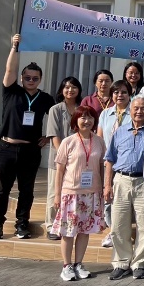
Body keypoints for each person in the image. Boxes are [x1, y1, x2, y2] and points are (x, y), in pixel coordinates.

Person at [0, 34, 55, 240]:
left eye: (35, 78)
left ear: (40, 79)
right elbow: (9, 70)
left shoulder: (45, 98)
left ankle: (22, 224)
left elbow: (57, 117)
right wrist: (14, 47)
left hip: (30, 150)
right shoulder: (12, 91)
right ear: (21, 78)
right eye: (27, 77)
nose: (31, 81)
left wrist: (48, 137)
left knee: (26, 190)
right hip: (7, 148)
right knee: (2, 189)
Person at [50, 106, 106, 282]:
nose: (87, 121)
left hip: (91, 193)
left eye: (90, 118)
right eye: (83, 117)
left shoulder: (99, 141)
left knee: (85, 230)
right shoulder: (68, 142)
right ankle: (66, 266)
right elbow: (59, 171)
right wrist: (57, 195)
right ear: (76, 120)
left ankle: (78, 263)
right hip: (71, 194)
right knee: (68, 231)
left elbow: (101, 167)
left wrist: (103, 188)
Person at [104, 95, 144, 280]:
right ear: (130, 110)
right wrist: (107, 185)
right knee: (119, 224)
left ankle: (139, 263)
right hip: (121, 180)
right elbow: (110, 159)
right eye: (136, 108)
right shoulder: (120, 131)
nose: (139, 111)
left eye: (143, 108)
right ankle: (121, 262)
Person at [45, 76, 83, 239]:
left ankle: (70, 224)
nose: (70, 90)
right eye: (67, 87)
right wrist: (65, 157)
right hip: (59, 160)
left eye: (74, 87)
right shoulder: (55, 109)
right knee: (55, 192)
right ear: (61, 90)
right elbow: (54, 136)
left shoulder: (82, 109)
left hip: (78, 160)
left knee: (74, 193)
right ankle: (51, 226)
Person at [96, 80, 132, 248]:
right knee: (108, 198)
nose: (120, 95)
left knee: (125, 200)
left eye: (124, 92)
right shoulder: (105, 114)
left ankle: (123, 232)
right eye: (116, 92)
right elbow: (100, 138)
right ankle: (113, 231)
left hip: (127, 163)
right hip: (108, 162)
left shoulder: (135, 112)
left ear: (130, 94)